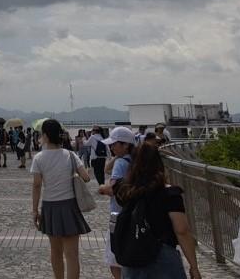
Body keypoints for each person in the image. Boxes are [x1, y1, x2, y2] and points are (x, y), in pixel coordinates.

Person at [113, 145, 201, 279]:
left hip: (132, 255)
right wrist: (194, 267)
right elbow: (182, 230)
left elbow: (109, 187)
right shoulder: (170, 194)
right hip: (162, 255)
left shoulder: (125, 190)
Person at [30, 119, 92, 279]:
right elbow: (86, 177)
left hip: (50, 206)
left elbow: (37, 186)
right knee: (72, 255)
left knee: (55, 252)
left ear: (44, 135)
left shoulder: (39, 158)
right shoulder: (70, 155)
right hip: (70, 206)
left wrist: (34, 210)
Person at [98, 126, 138, 279]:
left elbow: (112, 190)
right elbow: (107, 169)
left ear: (125, 145)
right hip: (133, 213)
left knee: (114, 260)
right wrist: (118, 156)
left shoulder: (121, 163)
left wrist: (102, 188)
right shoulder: (135, 160)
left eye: (114, 144)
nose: (111, 147)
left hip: (119, 215)